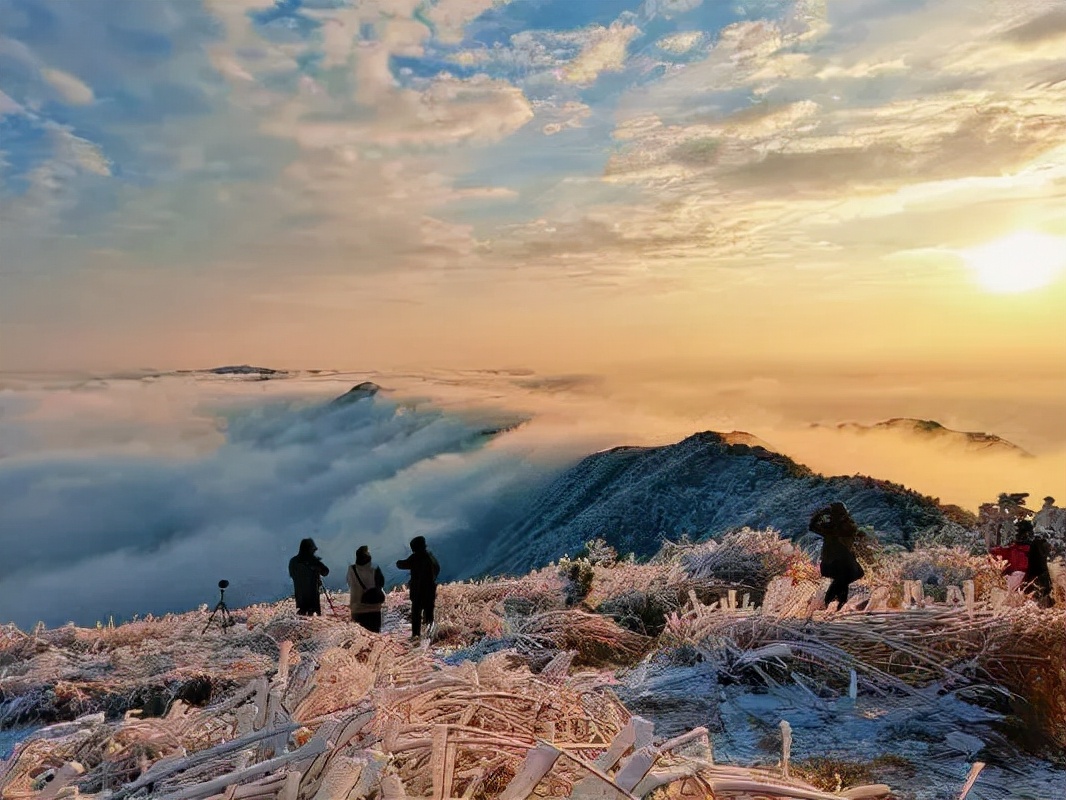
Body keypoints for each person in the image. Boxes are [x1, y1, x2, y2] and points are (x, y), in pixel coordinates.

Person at [808, 502, 866, 610]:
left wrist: (820, 515)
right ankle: (835, 602)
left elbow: (813, 527)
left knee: (843, 579)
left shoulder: (834, 526)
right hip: (839, 559)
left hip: (836, 560)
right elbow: (813, 527)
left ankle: (833, 602)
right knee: (844, 578)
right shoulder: (840, 525)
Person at [396, 536, 440, 639]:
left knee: (416, 613)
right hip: (430, 589)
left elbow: (402, 565)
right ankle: (430, 636)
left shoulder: (415, 557)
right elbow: (437, 568)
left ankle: (416, 636)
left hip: (418, 591)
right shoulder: (429, 556)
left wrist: (397, 562)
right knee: (429, 612)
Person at [347, 545, 386, 632]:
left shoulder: (351, 569)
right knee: (375, 636)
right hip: (374, 608)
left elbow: (349, 583)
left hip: (357, 609)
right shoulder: (375, 568)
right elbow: (381, 583)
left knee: (359, 637)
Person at [288, 538, 330, 616]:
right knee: (314, 616)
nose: (314, 552)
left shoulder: (293, 561)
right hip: (313, 598)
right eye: (313, 550)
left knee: (301, 615)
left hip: (300, 597)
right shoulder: (313, 561)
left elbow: (292, 575)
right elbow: (325, 572)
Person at [1024, 531, 1054, 607]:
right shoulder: (1042, 544)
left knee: (1039, 587)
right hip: (1042, 570)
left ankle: (1041, 603)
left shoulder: (1033, 545)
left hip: (1034, 570)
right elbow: (1044, 556)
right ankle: (1044, 603)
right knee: (1044, 587)